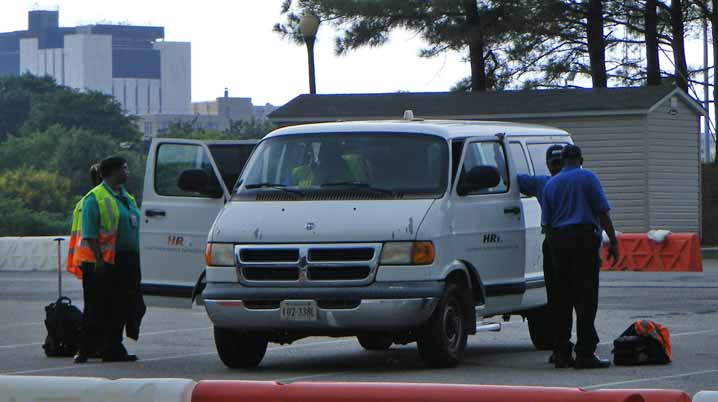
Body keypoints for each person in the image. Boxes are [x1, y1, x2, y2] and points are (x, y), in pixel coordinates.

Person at [542, 145, 619, 369]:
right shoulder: (587, 178)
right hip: (583, 241)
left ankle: (561, 352)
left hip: (558, 241)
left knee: (561, 299)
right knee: (586, 299)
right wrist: (613, 241)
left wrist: (555, 248)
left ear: (563, 161)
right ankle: (585, 353)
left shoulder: (550, 185)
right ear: (581, 159)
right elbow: (602, 211)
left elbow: (546, 224)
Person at [68, 156, 143, 363]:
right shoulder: (95, 198)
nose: (128, 172)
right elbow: (90, 234)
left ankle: (112, 348)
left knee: (121, 305)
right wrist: (99, 260)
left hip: (126, 260)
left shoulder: (126, 197)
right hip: (102, 262)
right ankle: (85, 349)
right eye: (124, 169)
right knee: (96, 307)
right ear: (112, 172)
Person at [516, 144, 564, 363]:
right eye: (554, 163)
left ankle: (567, 346)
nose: (556, 166)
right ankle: (566, 344)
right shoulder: (542, 183)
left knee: (567, 296)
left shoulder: (544, 184)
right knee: (558, 297)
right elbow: (513, 178)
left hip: (560, 240)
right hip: (558, 242)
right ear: (548, 165)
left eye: (559, 162)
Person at [67, 163, 103, 360]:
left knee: (93, 306)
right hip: (96, 259)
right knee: (97, 307)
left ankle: (90, 346)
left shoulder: (83, 202)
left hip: (85, 259)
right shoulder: (96, 199)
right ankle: (89, 347)